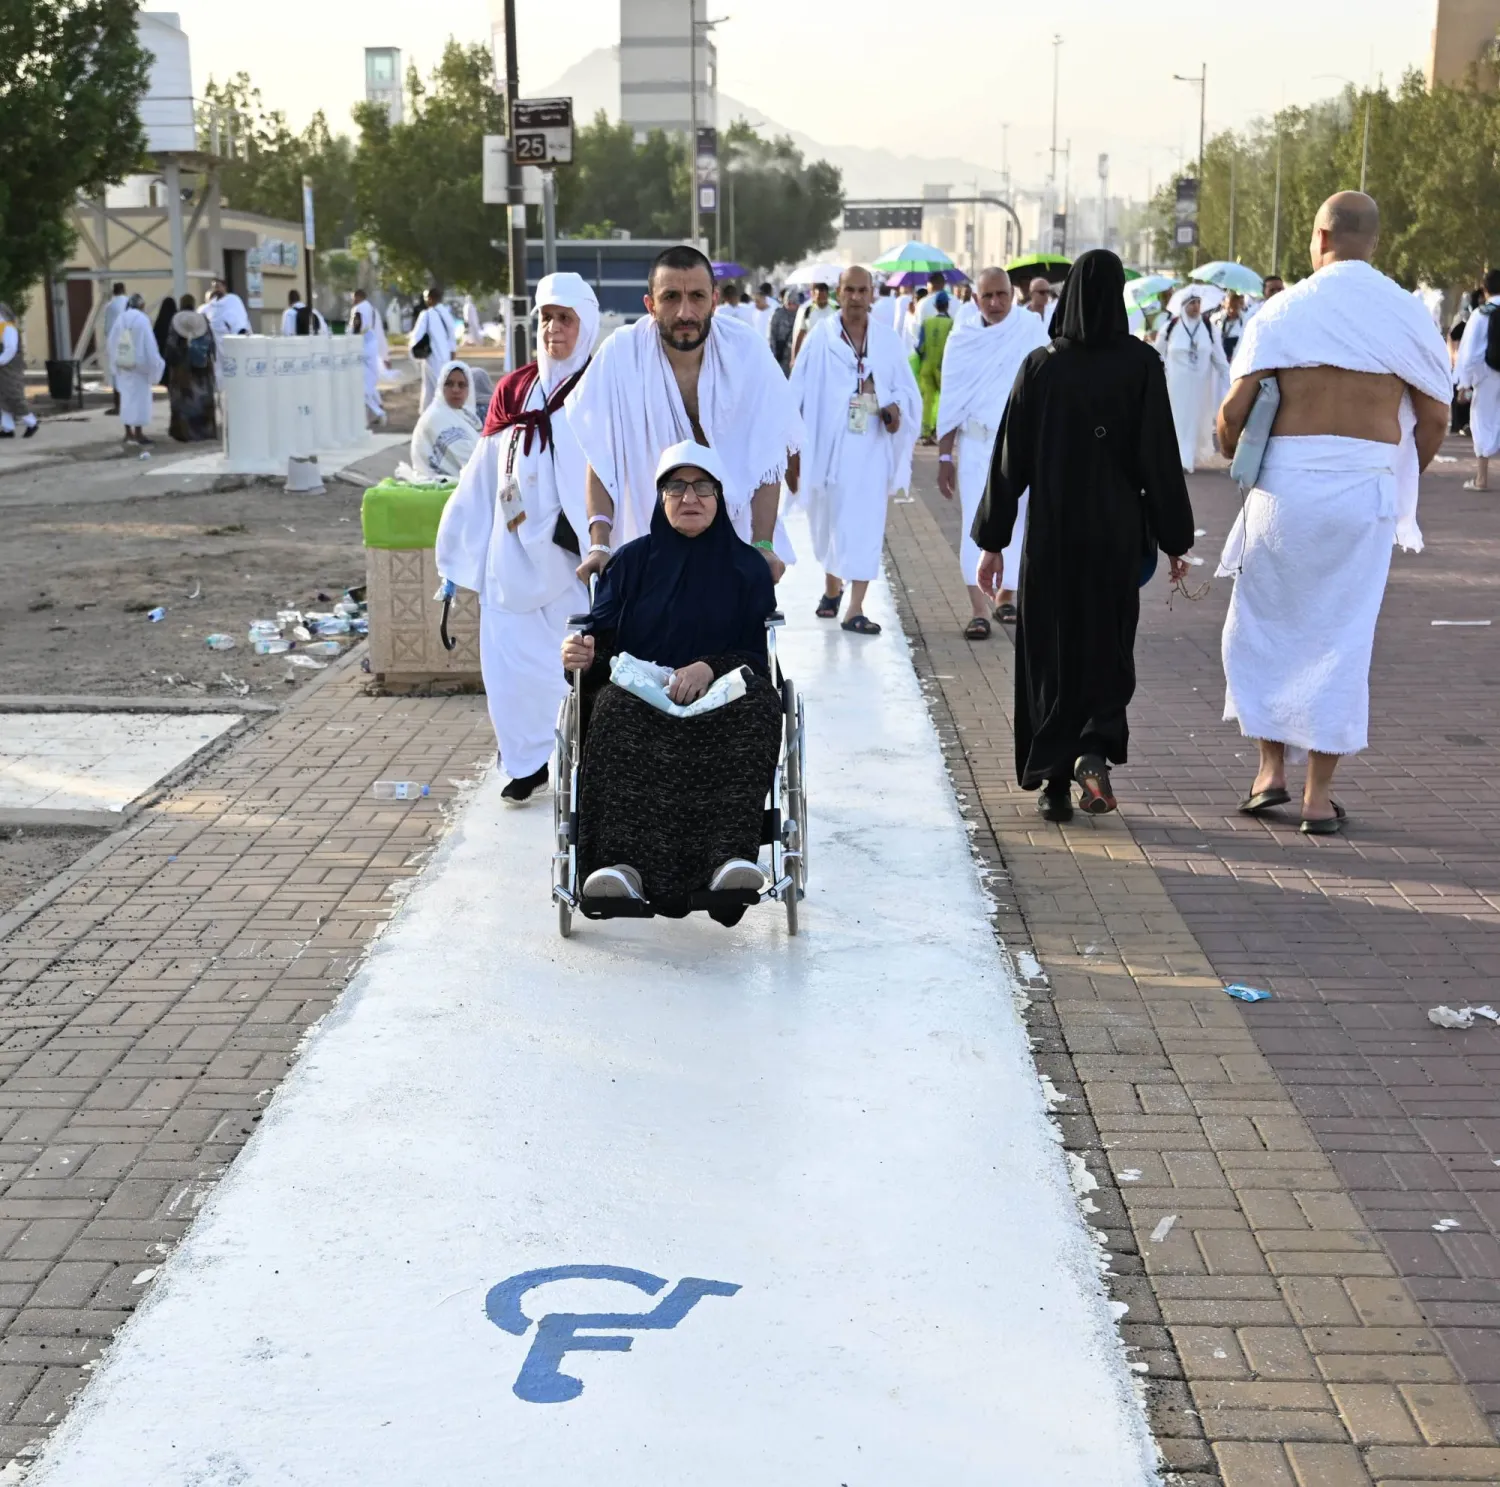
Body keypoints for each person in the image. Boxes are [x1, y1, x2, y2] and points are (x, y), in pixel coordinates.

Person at [1215, 192, 1450, 835]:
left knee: (1264, 626)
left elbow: (1232, 416)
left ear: (1320, 237)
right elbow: (1434, 418)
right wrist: (1394, 475)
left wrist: (1236, 451)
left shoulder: (1284, 310)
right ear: (1373, 242)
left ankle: (1270, 774)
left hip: (1284, 492)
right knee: (1343, 637)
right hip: (1363, 492)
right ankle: (1318, 799)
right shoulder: (1404, 312)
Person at [973, 249, 1195, 821]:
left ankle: (1051, 781)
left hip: (1052, 541)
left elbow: (1008, 462)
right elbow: (1160, 459)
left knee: (1050, 652)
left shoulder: (1042, 366)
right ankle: (1092, 750)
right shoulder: (1141, 365)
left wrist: (992, 541)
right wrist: (1175, 539)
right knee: (1107, 646)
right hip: (1116, 540)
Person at [561, 441, 784, 922]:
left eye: (703, 486)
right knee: (613, 707)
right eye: (677, 487)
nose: (691, 498)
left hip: (723, 694)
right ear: (660, 498)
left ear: (720, 497)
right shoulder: (630, 563)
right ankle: (620, 867)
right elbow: (598, 645)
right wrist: (579, 656)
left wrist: (708, 667)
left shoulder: (747, 568)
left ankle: (728, 861)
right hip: (642, 696)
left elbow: (755, 657)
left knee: (760, 705)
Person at [437, 273, 599, 803]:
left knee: (573, 667)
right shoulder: (514, 390)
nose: (554, 329)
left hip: (572, 563)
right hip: (509, 559)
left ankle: (581, 761)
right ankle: (526, 762)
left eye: (566, 319)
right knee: (509, 672)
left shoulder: (600, 389)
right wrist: (455, 559)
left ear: (587, 323)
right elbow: (481, 477)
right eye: (546, 318)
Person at [567, 243, 799, 580]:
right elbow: (600, 459)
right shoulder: (620, 355)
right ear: (650, 304)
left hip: (731, 545)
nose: (685, 313)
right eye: (671, 297)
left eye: (698, 297)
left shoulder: (746, 352)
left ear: (715, 300)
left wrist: (762, 544)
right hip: (645, 543)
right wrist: (600, 545)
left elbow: (767, 460)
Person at [787, 263, 920, 636]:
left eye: (864, 291)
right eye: (850, 290)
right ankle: (832, 587)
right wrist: (791, 453)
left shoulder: (887, 341)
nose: (857, 298)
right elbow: (795, 394)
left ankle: (855, 607)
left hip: (871, 448)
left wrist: (893, 407)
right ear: (839, 292)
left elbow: (908, 394)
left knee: (864, 524)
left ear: (872, 294)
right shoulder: (820, 338)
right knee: (827, 523)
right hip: (827, 451)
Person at [936, 267, 1049, 636]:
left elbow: (1044, 388)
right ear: (975, 299)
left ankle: (1006, 596)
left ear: (1013, 294)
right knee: (977, 523)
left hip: (1019, 447)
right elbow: (951, 399)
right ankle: (978, 609)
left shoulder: (1031, 329)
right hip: (974, 446)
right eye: (988, 296)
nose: (996, 303)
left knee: (1017, 522)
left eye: (1002, 295)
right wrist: (944, 457)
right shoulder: (962, 337)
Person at [1158, 291, 1230, 471]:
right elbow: (1157, 355)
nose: (1195, 306)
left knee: (1195, 422)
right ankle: (1181, 459)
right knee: (1178, 421)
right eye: (1191, 303)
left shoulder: (1208, 328)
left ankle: (1187, 458)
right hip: (1176, 386)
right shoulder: (1170, 327)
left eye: (1198, 302)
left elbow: (1220, 360)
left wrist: (1230, 384)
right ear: (1183, 306)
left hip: (1200, 387)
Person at [1454, 267, 1500, 490]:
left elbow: (1468, 353)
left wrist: (1463, 384)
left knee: (1482, 422)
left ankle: (1482, 478)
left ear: (1484, 289)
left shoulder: (1481, 314)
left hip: (1487, 374)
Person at [107, 293, 165, 445]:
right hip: (139, 367)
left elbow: (112, 342)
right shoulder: (142, 320)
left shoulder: (120, 318)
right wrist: (156, 363)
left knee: (126, 400)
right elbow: (149, 344)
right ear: (141, 306)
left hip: (124, 365)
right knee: (140, 401)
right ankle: (139, 433)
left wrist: (115, 362)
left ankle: (128, 433)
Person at [409, 360, 481, 479]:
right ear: (441, 386)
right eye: (449, 384)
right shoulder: (436, 417)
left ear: (469, 389)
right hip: (436, 486)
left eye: (461, 385)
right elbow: (471, 461)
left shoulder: (465, 415)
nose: (456, 390)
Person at [162, 294, 218, 443]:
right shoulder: (203, 319)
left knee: (183, 400)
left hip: (182, 369)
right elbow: (211, 343)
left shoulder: (176, 321)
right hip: (202, 368)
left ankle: (184, 433)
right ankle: (205, 431)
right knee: (203, 398)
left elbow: (171, 346)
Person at [915, 289, 955, 442]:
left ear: (935, 305)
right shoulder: (951, 323)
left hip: (926, 366)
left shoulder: (927, 323)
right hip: (943, 368)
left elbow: (919, 347)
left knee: (927, 401)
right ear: (947, 305)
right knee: (944, 401)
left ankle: (925, 433)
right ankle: (939, 432)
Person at [410, 287, 458, 412]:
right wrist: (452, 353)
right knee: (437, 386)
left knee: (433, 388)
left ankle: (433, 414)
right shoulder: (446, 313)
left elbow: (416, 336)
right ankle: (431, 413)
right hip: (446, 356)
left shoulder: (426, 314)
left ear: (431, 298)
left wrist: (413, 351)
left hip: (432, 357)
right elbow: (452, 336)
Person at [349, 288, 389, 425]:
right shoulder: (373, 310)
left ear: (358, 297)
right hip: (372, 346)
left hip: (362, 347)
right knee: (370, 382)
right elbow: (378, 331)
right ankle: (375, 410)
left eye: (354, 297)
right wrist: (385, 354)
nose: (353, 301)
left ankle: (378, 411)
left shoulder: (358, 309)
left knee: (361, 384)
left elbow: (355, 328)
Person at [0, 303, 39, 440]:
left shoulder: (8, 329)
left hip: (10, 368)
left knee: (13, 395)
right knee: (3, 398)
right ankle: (7, 428)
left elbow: (10, 349)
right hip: (3, 367)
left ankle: (31, 422)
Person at [791, 280, 837, 362]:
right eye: (818, 296)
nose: (821, 299)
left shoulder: (836, 309)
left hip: (832, 353)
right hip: (813, 353)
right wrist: (794, 359)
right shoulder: (807, 310)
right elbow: (800, 335)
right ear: (814, 295)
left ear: (827, 295)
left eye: (823, 296)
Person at [102, 282, 128, 414]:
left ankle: (118, 405)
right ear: (124, 290)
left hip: (115, 343)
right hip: (129, 342)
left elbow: (106, 329)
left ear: (114, 291)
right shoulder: (129, 303)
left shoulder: (110, 305)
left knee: (116, 374)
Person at [1214, 290, 1249, 364]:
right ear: (1224, 304)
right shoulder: (1215, 319)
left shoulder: (1246, 321)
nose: (1232, 310)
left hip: (1239, 361)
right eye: (1230, 306)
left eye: (1235, 306)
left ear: (1240, 305)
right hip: (1220, 359)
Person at [768, 288, 798, 374]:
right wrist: (773, 355)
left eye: (792, 303)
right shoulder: (778, 314)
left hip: (794, 355)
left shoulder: (799, 314)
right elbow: (771, 335)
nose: (790, 304)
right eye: (788, 302)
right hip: (781, 355)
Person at [151, 296, 177, 386]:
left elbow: (155, 338)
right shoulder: (176, 321)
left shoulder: (160, 321)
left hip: (162, 354)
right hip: (173, 356)